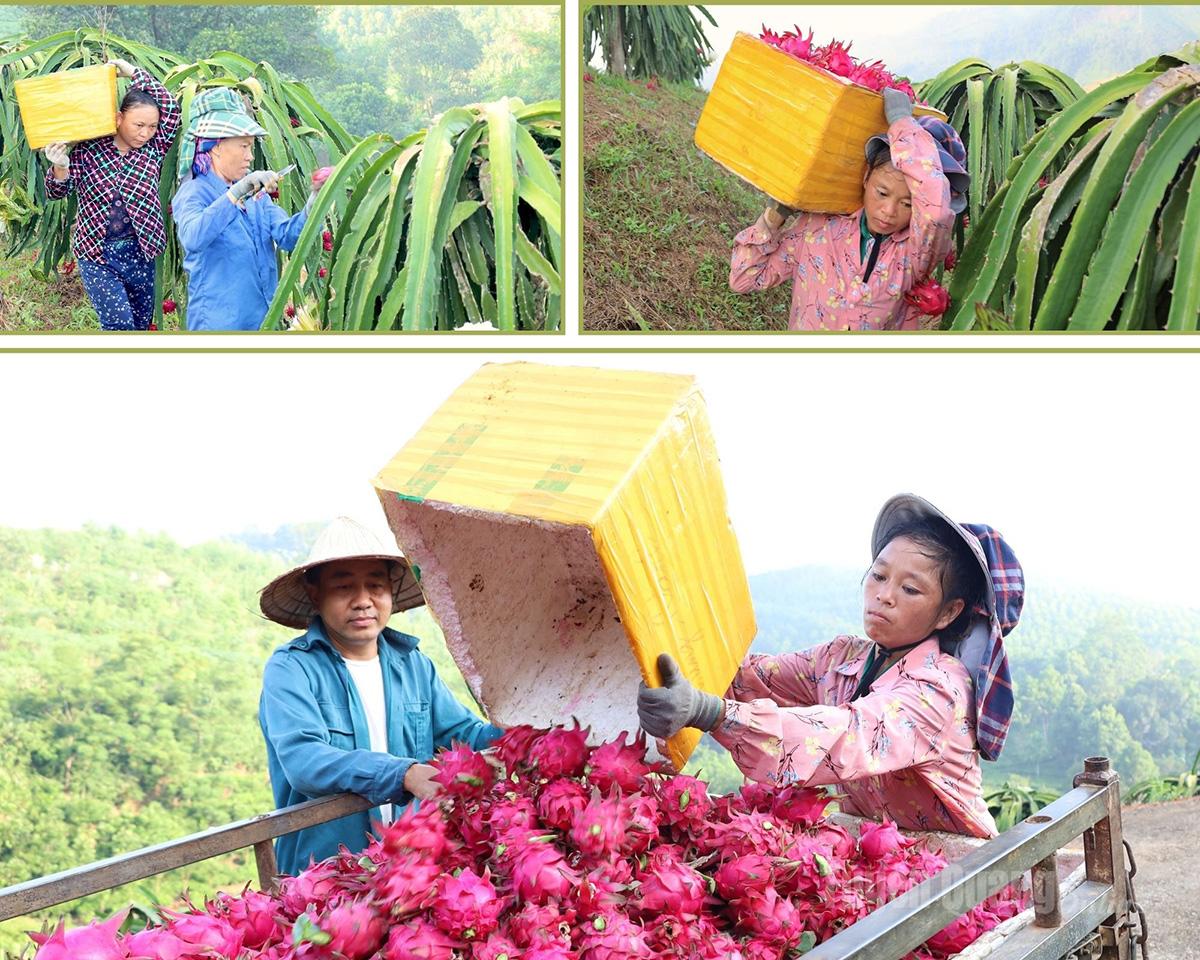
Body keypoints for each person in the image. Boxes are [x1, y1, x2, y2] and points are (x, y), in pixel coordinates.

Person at [637, 493, 1023, 838]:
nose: (884, 595)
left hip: (957, 872)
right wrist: (659, 654)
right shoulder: (842, 659)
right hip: (876, 853)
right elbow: (749, 678)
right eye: (879, 575)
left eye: (910, 589)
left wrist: (709, 711)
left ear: (948, 612)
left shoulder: (939, 692)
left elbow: (842, 736)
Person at [258, 517, 503, 875]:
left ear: (390, 590)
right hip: (324, 877)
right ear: (316, 594)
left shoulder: (413, 665)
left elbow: (467, 735)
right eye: (344, 588)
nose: (363, 601)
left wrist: (526, 725)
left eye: (375, 585)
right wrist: (402, 773)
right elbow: (303, 761)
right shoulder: (291, 669)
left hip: (408, 870)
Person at [728, 88, 969, 331]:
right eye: (882, 193)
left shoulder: (914, 255)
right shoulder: (817, 230)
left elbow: (935, 210)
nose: (888, 210)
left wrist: (901, 122)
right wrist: (772, 218)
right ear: (866, 178)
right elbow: (744, 279)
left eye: (908, 204)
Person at [42, 58, 181, 330]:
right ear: (119, 118)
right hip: (97, 255)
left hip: (142, 251)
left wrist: (130, 71)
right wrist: (60, 166)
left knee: (140, 325)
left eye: (152, 127)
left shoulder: (154, 149)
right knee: (119, 326)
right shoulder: (89, 150)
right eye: (138, 125)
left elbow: (172, 110)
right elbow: (56, 191)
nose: (145, 133)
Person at [171, 89, 327, 331]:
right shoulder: (194, 191)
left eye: (251, 147)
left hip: (262, 320)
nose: (250, 157)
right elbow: (193, 237)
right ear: (216, 146)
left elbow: (289, 236)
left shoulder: (256, 195)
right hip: (218, 325)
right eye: (244, 146)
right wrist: (235, 194)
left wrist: (316, 200)